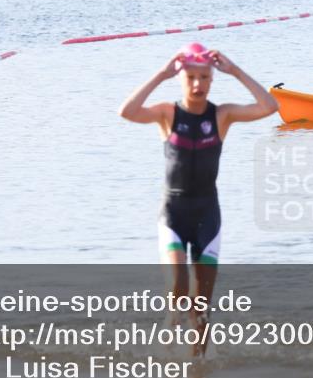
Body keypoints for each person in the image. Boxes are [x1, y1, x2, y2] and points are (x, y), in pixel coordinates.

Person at [119, 42, 277, 352]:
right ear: (181, 78)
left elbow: (269, 106)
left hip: (207, 216)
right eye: (190, 77)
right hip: (174, 214)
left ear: (212, 79)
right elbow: (127, 111)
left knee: (201, 308)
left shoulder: (222, 115)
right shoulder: (167, 114)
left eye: (204, 77)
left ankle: (198, 370)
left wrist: (235, 71)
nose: (197, 84)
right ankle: (167, 355)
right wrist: (161, 74)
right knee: (178, 289)